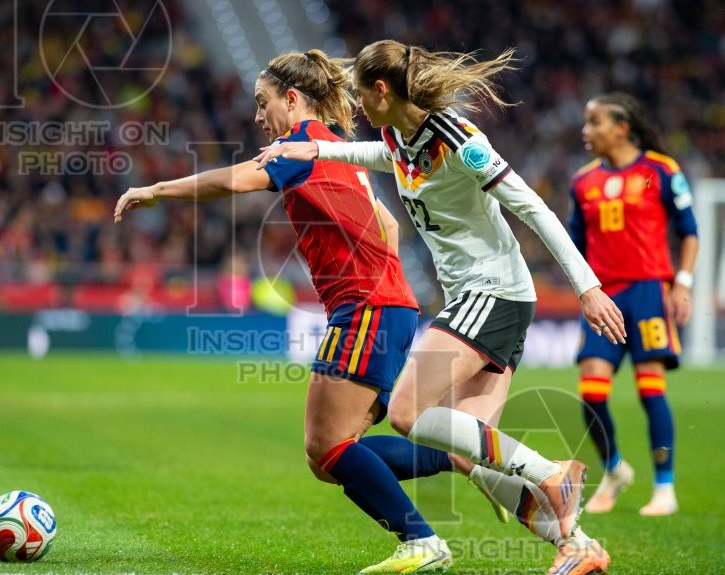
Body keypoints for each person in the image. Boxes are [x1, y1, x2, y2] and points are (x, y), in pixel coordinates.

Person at [255, 40, 625, 575]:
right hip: (480, 298)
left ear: (382, 89)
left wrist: (587, 287)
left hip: (492, 292)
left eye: (360, 93)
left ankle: (552, 472)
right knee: (469, 453)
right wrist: (316, 151)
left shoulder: (460, 138)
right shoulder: (398, 136)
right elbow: (385, 157)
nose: (355, 105)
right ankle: (580, 546)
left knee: (406, 411)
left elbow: (533, 207)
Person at [115, 49, 468, 574]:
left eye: (263, 103)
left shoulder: (296, 147)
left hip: (364, 308)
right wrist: (377, 277)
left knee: (326, 449)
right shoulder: (340, 151)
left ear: (292, 98)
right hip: (389, 307)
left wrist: (157, 189)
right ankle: (461, 458)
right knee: (334, 455)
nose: (259, 116)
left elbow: (234, 182)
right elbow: (388, 228)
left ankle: (422, 539)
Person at [569, 92, 699, 517]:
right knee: (591, 392)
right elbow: (575, 245)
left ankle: (665, 488)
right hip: (603, 294)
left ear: (622, 127)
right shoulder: (582, 181)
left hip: (647, 292)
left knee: (650, 389)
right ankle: (614, 469)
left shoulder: (659, 171)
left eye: (595, 122)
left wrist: (682, 282)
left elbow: (690, 231)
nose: (586, 131)